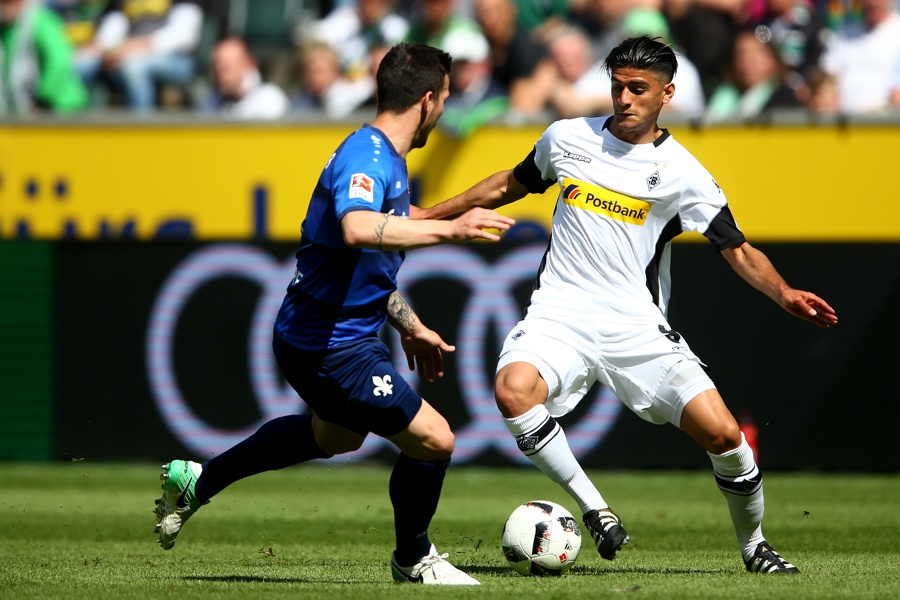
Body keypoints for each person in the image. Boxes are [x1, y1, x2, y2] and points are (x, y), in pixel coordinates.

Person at [416, 36, 837, 575]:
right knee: (512, 391)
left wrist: (784, 293)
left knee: (725, 436)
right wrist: (431, 216)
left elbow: (736, 247)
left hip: (635, 325)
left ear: (667, 94)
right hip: (560, 314)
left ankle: (755, 544)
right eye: (617, 87)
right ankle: (595, 509)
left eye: (638, 89)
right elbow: (509, 184)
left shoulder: (683, 173)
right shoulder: (567, 138)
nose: (625, 99)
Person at [153, 42, 515, 586]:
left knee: (338, 437)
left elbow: (371, 253)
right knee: (436, 439)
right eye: (443, 99)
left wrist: (411, 324)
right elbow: (356, 228)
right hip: (328, 343)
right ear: (425, 100)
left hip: (334, 334)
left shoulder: (386, 160)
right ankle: (413, 559)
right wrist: (450, 230)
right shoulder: (366, 157)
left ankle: (199, 482)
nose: (442, 112)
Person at [83, 0, 202, 110]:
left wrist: (137, 48)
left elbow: (183, 36)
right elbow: (113, 27)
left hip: (176, 59)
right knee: (83, 64)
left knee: (134, 67)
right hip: (125, 54)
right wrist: (109, 51)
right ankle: (78, 125)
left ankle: (140, 127)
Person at [0, 0, 89, 115]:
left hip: (59, 108)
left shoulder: (42, 22)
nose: (4, 7)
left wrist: (41, 99)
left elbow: (59, 61)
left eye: (9, 2)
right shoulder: (6, 28)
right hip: (19, 110)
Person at [704, 27, 803, 121]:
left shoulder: (785, 101)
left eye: (757, 53)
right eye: (742, 53)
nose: (749, 61)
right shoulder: (723, 98)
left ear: (773, 59)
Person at [819, 0, 900, 113]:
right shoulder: (843, 35)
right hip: (843, 122)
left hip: (886, 123)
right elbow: (827, 76)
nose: (873, 3)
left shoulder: (897, 31)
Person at [201, 37, 289, 119]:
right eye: (218, 66)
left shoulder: (270, 99)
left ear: (249, 63)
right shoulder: (210, 105)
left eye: (228, 66)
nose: (222, 73)